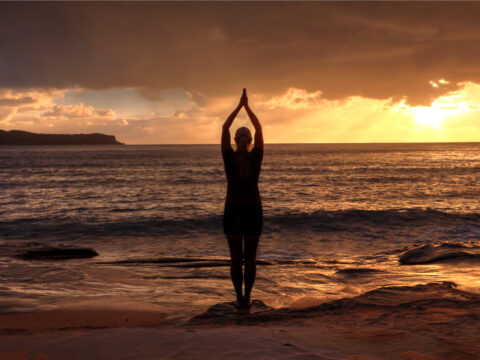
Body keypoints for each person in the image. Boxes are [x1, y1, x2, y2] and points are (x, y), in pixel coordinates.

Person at [221, 88, 264, 309]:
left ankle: (239, 298)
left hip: (234, 212)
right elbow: (259, 127)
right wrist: (248, 107)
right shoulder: (255, 157)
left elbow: (224, 127)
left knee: (236, 259)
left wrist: (239, 106)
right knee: (251, 259)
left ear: (236, 140)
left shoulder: (229, 158)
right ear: (249, 141)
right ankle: (248, 298)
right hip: (253, 211)